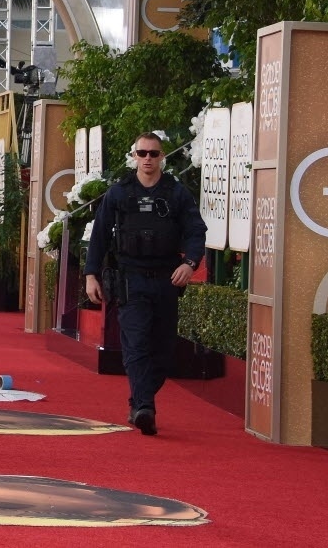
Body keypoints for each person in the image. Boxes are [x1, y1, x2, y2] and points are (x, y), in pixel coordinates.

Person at [83, 132, 206, 437]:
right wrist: (90, 275)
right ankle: (144, 408)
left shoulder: (176, 193)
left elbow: (196, 232)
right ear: (134, 155)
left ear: (162, 156)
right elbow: (99, 236)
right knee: (136, 344)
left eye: (153, 153)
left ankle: (139, 399)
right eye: (142, 153)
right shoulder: (119, 193)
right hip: (130, 279)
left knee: (163, 352)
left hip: (166, 279)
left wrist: (189, 263)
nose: (148, 159)